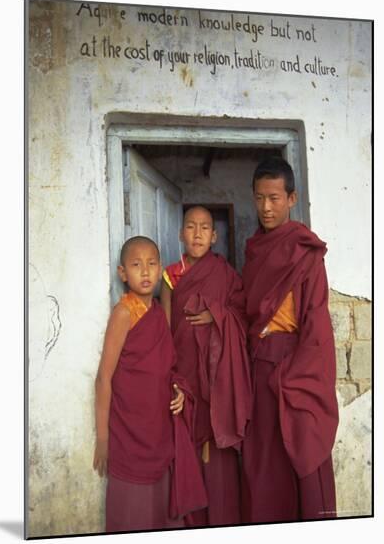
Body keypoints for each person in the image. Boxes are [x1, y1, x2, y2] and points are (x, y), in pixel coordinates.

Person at [241, 156, 339, 523]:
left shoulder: (306, 253)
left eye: (275, 198)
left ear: (292, 198)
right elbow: (246, 309)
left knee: (300, 446)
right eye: (260, 198)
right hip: (258, 366)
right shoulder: (254, 251)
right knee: (263, 460)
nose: (266, 207)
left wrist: (296, 376)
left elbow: (315, 321)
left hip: (293, 366)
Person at [93, 236, 207, 533]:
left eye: (152, 264)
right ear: (122, 273)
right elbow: (104, 377)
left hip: (159, 426)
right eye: (136, 265)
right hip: (130, 430)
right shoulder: (123, 314)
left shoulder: (158, 312)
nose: (145, 272)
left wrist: (179, 391)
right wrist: (103, 438)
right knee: (134, 510)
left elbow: (166, 366)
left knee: (161, 506)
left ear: (160, 272)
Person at [161, 206, 252, 527]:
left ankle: (224, 522)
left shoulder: (225, 273)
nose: (197, 233)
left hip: (218, 374)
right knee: (187, 442)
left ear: (214, 236)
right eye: (190, 227)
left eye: (204, 228)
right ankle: (194, 524)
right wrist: (171, 377)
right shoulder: (170, 276)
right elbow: (166, 329)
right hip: (185, 374)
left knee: (218, 443)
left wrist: (218, 314)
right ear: (181, 233)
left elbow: (243, 314)